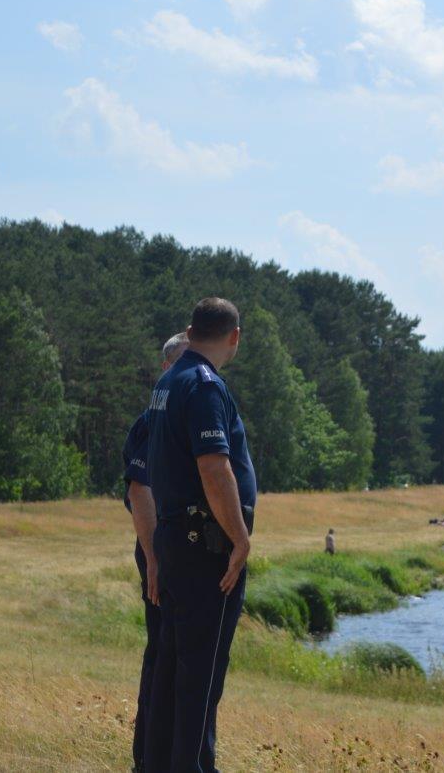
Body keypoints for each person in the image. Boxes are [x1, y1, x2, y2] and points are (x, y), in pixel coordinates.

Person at [144, 298, 256, 773]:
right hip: (204, 546)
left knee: (171, 667)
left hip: (175, 539)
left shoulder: (168, 381)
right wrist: (240, 539)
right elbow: (214, 468)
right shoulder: (205, 385)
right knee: (200, 675)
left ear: (191, 331)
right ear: (234, 337)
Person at [120, 332, 188, 772]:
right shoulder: (151, 422)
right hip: (159, 551)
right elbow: (139, 490)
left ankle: (168, 753)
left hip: (179, 551)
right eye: (182, 365)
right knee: (162, 652)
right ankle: (149, 755)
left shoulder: (181, 419)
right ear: (166, 369)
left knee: (177, 654)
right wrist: (155, 561)